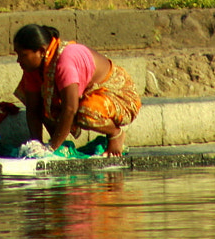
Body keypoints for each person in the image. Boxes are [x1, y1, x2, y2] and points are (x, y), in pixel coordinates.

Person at [12, 23, 142, 156]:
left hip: (118, 96)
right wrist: (36, 146)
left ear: (41, 51)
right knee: (43, 103)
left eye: (23, 55)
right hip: (80, 96)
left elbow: (70, 109)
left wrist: (51, 148)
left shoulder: (65, 61)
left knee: (86, 112)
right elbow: (33, 109)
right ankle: (58, 142)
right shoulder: (32, 68)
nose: (18, 60)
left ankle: (115, 133)